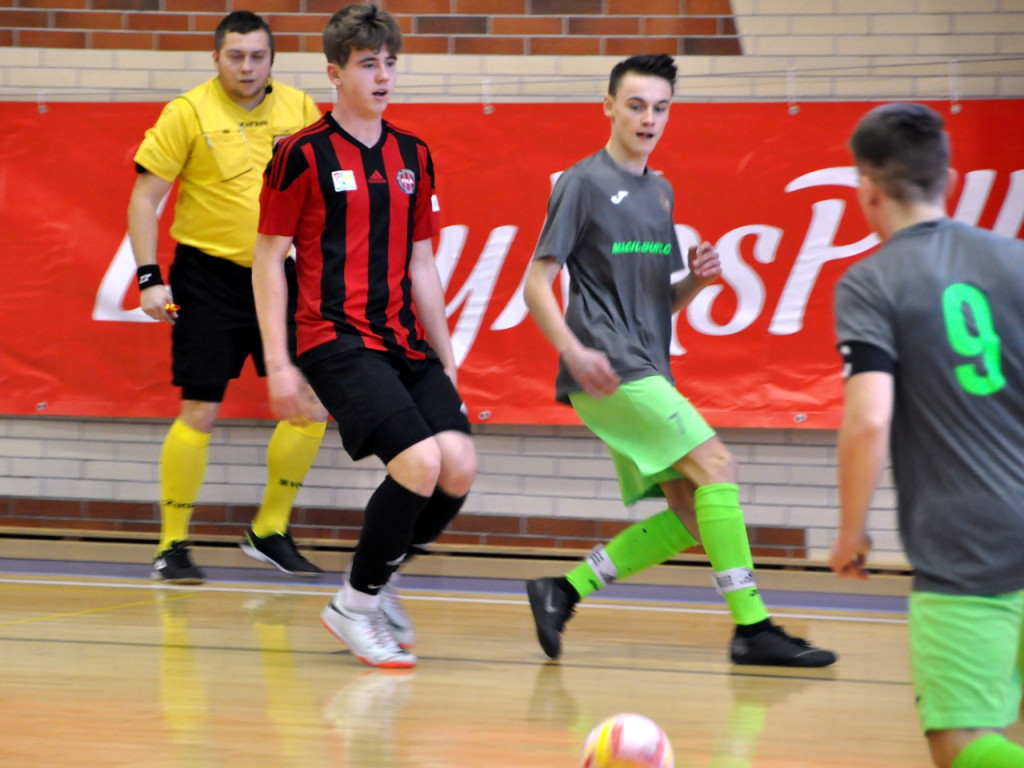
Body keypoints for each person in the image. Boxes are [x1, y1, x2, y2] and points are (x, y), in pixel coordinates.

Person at [522, 53, 836, 669]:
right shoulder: (581, 183)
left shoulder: (659, 189)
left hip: (644, 365)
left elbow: (656, 301)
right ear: (608, 106)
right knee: (716, 464)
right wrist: (573, 349)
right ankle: (753, 629)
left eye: (660, 107)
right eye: (636, 105)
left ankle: (563, 590)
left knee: (693, 514)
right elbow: (536, 283)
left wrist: (694, 282)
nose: (648, 118)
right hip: (608, 368)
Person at [252, 5, 477, 669]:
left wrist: (447, 351)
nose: (383, 74)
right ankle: (352, 607)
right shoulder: (301, 154)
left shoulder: (415, 154)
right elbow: (268, 258)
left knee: (458, 464)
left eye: (389, 62)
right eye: (367, 63)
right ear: (335, 73)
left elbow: (423, 264)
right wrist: (278, 363)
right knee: (419, 463)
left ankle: (380, 579)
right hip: (334, 337)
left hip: (402, 339)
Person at [831, 102, 1024, 768]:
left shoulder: (871, 282)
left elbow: (870, 417)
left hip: (967, 544)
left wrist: (851, 529)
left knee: (963, 744)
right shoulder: (1014, 260)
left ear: (867, 188)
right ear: (950, 176)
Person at [128, 11, 328, 585]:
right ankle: (172, 545)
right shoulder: (186, 113)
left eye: (257, 56)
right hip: (207, 279)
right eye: (235, 56)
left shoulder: (301, 109)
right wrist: (149, 277)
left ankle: (269, 530)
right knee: (201, 409)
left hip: (285, 277)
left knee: (310, 405)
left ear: (272, 59)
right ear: (216, 58)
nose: (247, 66)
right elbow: (145, 201)